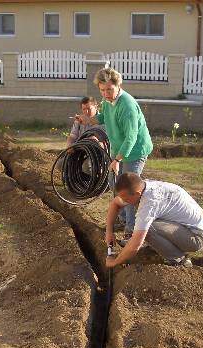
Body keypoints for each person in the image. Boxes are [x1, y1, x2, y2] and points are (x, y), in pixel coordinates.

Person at [79, 68, 153, 238]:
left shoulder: (127, 105)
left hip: (134, 150)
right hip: (119, 148)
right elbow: (104, 117)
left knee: (128, 190)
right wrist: (88, 120)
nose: (105, 93)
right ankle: (122, 218)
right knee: (114, 184)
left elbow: (131, 137)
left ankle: (131, 230)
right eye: (102, 90)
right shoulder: (107, 101)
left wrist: (118, 159)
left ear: (118, 86)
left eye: (109, 89)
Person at [105, 173, 203, 268]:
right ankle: (162, 247)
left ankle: (180, 260)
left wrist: (114, 262)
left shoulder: (149, 204)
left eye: (126, 199)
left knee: (147, 229)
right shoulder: (145, 186)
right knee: (145, 226)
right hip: (187, 227)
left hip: (195, 237)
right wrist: (109, 232)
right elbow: (116, 203)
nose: (125, 202)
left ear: (137, 193)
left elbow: (135, 244)